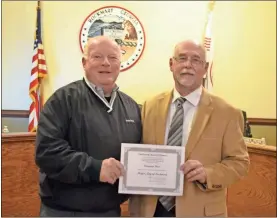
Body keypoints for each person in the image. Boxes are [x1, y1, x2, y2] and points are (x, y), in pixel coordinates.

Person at [129, 39, 250, 217]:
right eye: (182, 58)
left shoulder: (228, 113)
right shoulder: (150, 106)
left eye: (196, 60)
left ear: (205, 67)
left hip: (200, 211)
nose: (188, 65)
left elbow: (240, 163)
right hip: (151, 209)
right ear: (171, 64)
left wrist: (207, 174)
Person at [35, 36, 142, 217]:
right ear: (85, 63)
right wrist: (96, 168)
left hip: (110, 210)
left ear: (120, 64)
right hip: (65, 212)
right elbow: (47, 153)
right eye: (97, 57)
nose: (106, 63)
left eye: (113, 58)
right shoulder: (63, 100)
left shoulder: (132, 107)